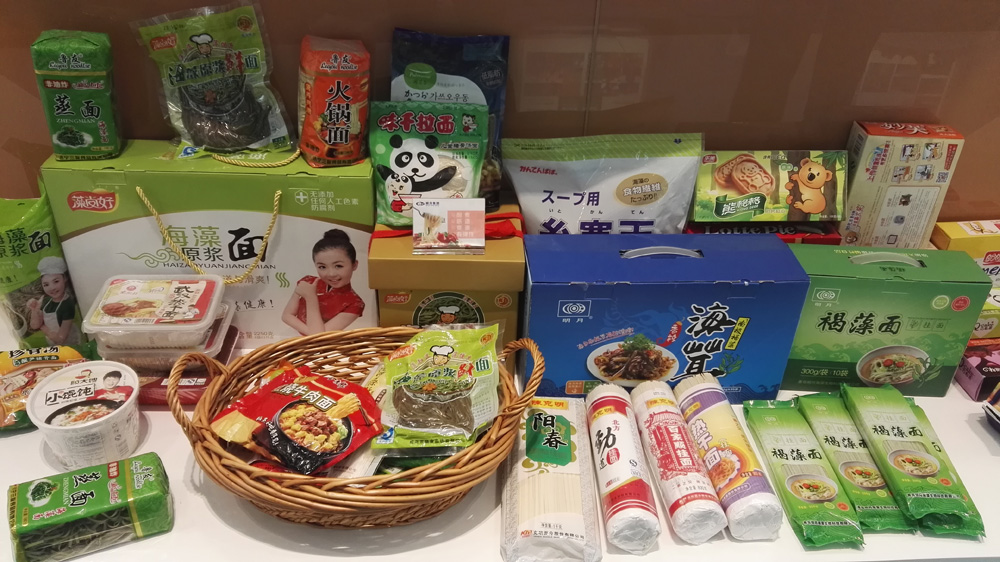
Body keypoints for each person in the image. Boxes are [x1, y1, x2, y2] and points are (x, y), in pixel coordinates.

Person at [282, 229, 364, 335]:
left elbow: (320, 336)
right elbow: (287, 316)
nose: (331, 274)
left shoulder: (355, 303)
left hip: (326, 344)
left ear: (354, 265)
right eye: (322, 267)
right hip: (295, 340)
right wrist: (310, 334)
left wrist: (310, 297)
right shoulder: (307, 282)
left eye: (338, 266)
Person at [26, 257, 81, 346]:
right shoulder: (45, 300)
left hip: (70, 344)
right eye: (46, 284)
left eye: (56, 281)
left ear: (65, 279)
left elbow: (60, 339)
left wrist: (43, 327)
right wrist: (34, 310)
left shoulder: (67, 305)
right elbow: (35, 325)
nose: (52, 288)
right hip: (52, 343)